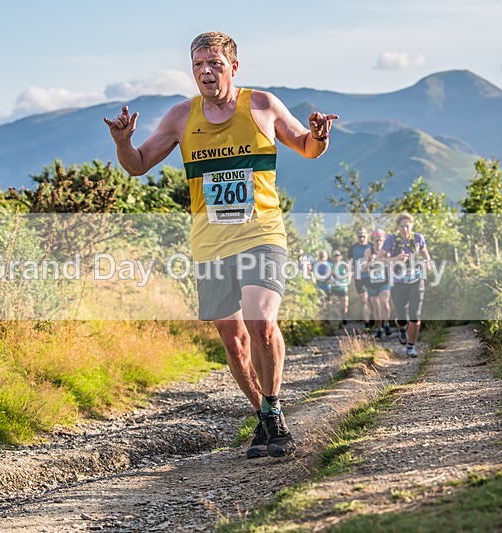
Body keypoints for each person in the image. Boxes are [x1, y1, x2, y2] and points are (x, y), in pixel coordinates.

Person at [104, 31, 338, 458]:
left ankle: (272, 413)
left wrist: (320, 135)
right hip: (210, 244)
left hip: (262, 233)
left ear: (233, 66)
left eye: (213, 63)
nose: (205, 72)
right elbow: (138, 165)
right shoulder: (180, 116)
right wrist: (122, 143)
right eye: (197, 65)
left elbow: (307, 147)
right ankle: (269, 417)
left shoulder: (262, 105)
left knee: (261, 323)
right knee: (233, 340)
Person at [379, 213, 432, 357]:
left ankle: (411, 347)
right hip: (398, 283)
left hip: (416, 281)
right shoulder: (391, 240)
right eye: (402, 226)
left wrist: (427, 262)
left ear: (412, 225)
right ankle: (402, 329)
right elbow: (380, 258)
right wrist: (395, 259)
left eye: (407, 226)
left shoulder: (418, 238)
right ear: (398, 227)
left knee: (415, 316)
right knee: (402, 318)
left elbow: (425, 253)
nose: (405, 229)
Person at [362, 229, 392, 340]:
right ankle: (379, 328)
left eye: (380, 240)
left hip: (384, 281)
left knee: (385, 303)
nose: (378, 242)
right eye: (376, 240)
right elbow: (363, 268)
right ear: (372, 241)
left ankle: (387, 324)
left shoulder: (387, 251)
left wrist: (383, 259)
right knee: (376, 307)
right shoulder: (368, 252)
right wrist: (371, 262)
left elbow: (393, 264)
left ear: (384, 240)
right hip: (372, 283)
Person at [350, 228, 373, 333]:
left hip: (371, 277)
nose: (362, 238)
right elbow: (350, 262)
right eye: (360, 237)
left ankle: (377, 321)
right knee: (364, 300)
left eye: (363, 236)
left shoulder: (372, 246)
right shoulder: (353, 248)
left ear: (367, 236)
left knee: (373, 300)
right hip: (359, 277)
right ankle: (367, 324)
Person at [330, 250, 350, 328]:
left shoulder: (344, 265)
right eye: (335, 256)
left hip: (343, 288)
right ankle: (339, 321)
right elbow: (330, 276)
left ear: (340, 257)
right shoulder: (332, 266)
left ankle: (344, 317)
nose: (336, 257)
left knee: (345, 305)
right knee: (337, 305)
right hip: (335, 288)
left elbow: (350, 272)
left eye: (338, 255)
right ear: (332, 258)